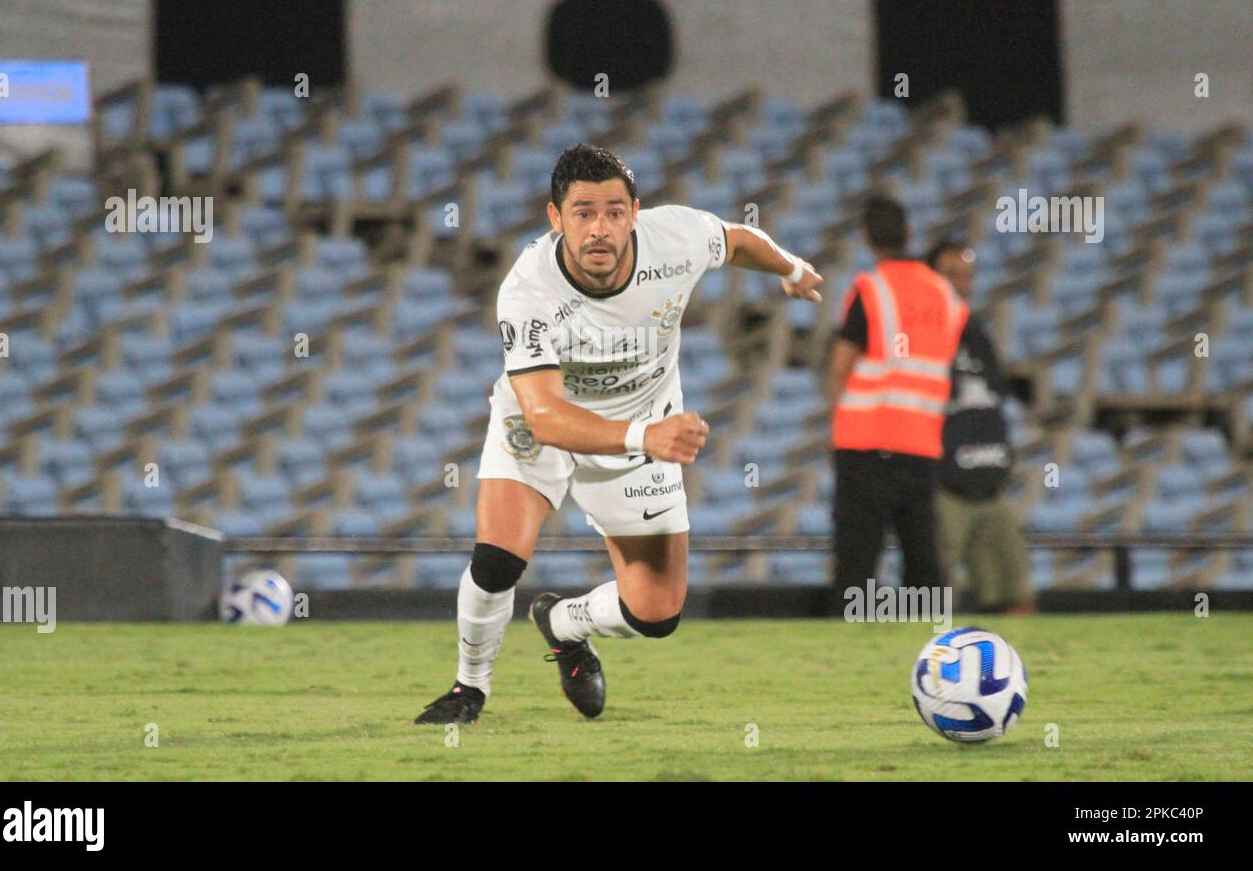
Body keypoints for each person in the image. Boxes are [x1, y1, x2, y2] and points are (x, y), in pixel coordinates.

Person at [415, 144, 824, 724]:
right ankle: (468, 689)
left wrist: (789, 268)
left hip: (642, 423)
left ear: (636, 211)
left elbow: (735, 239)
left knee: (656, 613)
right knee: (498, 559)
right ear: (555, 219)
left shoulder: (676, 238)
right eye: (583, 213)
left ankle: (562, 624)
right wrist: (644, 438)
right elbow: (545, 418)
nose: (599, 228)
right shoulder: (528, 291)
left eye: (613, 211)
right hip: (548, 420)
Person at [826, 196, 967, 610]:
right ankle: (934, 645)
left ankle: (847, 645)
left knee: (857, 559)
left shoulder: (870, 288)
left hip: (865, 442)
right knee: (923, 556)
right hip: (921, 442)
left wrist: (841, 416)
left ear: (867, 238)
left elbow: (840, 366)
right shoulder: (946, 295)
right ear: (909, 235)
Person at [925, 240, 1035, 614]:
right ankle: (930, 669)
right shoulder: (918, 333)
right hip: (944, 488)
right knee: (936, 601)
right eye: (951, 274)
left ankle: (1017, 669)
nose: (962, 283)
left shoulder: (977, 334)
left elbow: (991, 401)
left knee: (1015, 598)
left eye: (968, 275)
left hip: (991, 486)